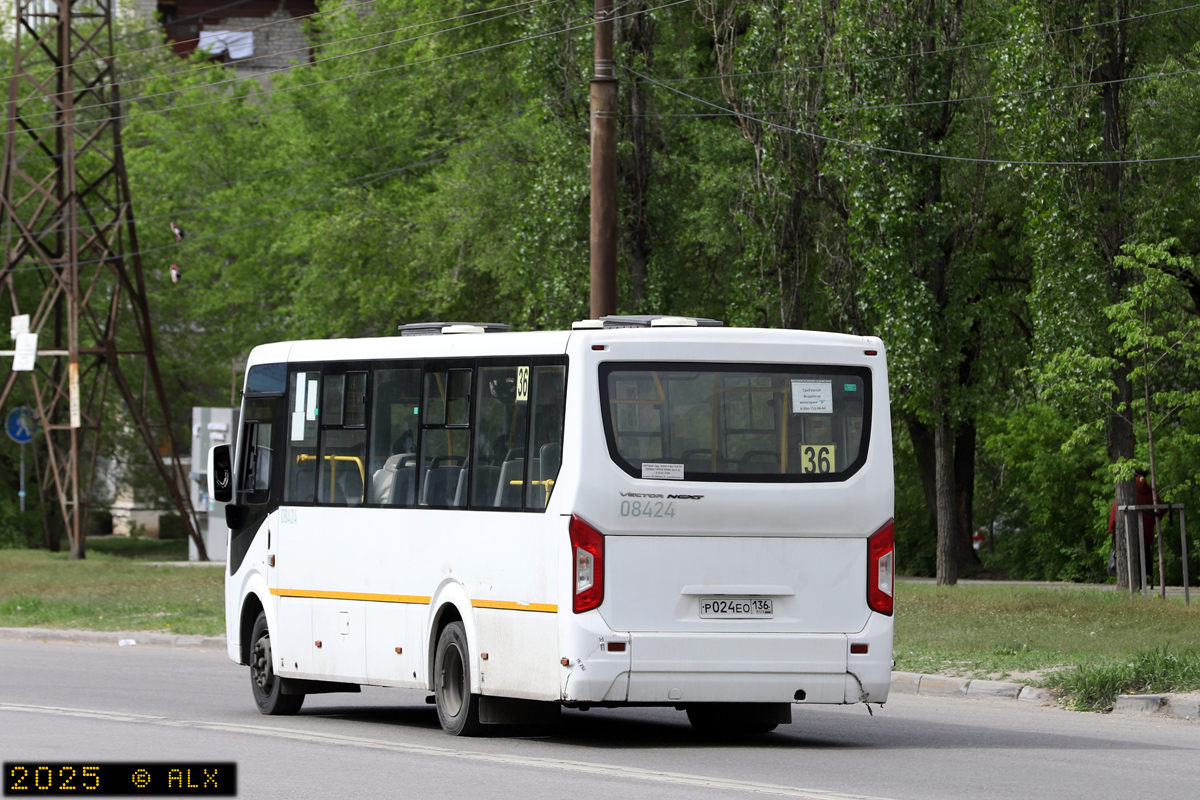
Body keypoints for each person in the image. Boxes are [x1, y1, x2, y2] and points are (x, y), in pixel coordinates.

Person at [1107, 469, 1163, 580]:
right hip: (1145, 533)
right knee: (1143, 557)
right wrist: (1150, 521)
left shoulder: (1126, 490)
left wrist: (1112, 529)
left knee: (1128, 559)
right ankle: (1141, 581)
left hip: (1127, 531)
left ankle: (1130, 584)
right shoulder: (1151, 492)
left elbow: (1115, 511)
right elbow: (1160, 510)